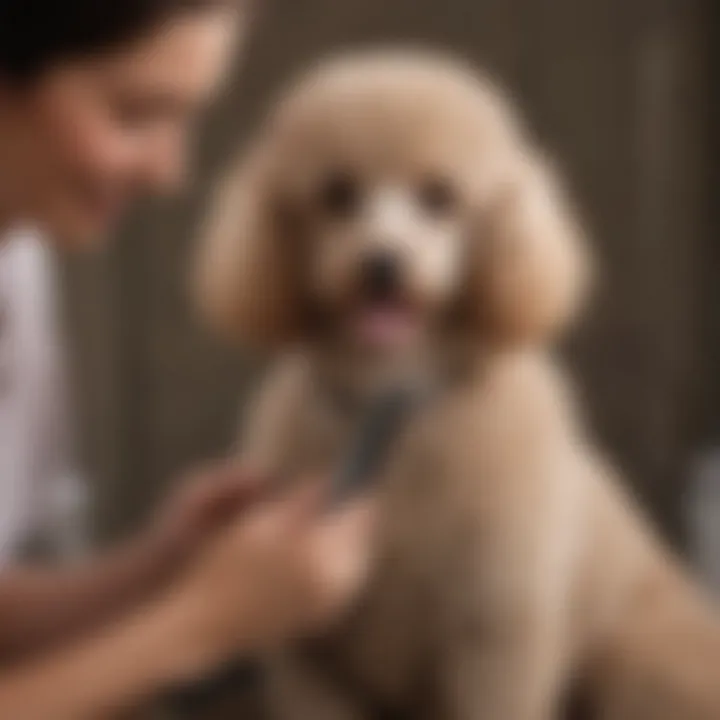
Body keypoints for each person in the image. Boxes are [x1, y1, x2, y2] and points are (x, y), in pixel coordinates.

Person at [0, 0, 375, 717]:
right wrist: (203, 623)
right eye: (135, 114)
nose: (170, 174)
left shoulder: (19, 250)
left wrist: (160, 569)